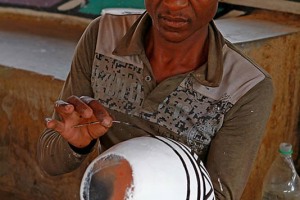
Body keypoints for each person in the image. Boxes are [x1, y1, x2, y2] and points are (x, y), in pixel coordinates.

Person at [37, 0, 274, 199]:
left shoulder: (246, 87)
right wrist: (77, 143)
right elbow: (50, 162)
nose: (173, 3)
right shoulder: (103, 36)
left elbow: (218, 195)